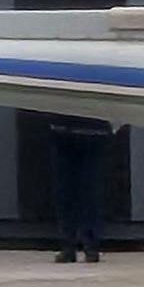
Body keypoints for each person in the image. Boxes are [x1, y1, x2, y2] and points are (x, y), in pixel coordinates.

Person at [48, 113, 114, 263]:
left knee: (67, 191)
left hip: (64, 130)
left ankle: (70, 244)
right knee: (89, 190)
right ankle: (88, 245)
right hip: (92, 130)